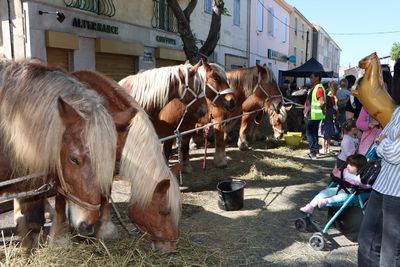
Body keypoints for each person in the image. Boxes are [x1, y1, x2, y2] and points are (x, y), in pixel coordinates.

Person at [358, 106, 400, 266]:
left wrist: (384, 142)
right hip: (381, 185)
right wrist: (387, 140)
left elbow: (395, 153)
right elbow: (379, 140)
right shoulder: (397, 111)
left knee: (390, 253)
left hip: (397, 193)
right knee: (367, 242)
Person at [300, 154, 367, 214]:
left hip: (348, 193)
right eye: (348, 164)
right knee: (325, 192)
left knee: (343, 197)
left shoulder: (360, 177)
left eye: (351, 165)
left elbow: (368, 186)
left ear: (359, 167)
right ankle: (310, 206)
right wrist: (335, 173)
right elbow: (337, 175)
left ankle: (326, 201)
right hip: (339, 188)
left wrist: (362, 186)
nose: (348, 166)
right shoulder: (345, 171)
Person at [304, 72, 326, 159]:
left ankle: (313, 152)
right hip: (314, 114)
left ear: (317, 78)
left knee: (309, 133)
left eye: (311, 77)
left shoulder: (318, 88)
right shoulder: (315, 88)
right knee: (314, 133)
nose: (310, 78)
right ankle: (316, 151)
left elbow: (322, 102)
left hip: (314, 115)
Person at [319, 83, 336, 154]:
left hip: (324, 123)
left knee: (323, 136)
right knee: (329, 136)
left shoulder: (323, 110)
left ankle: (323, 148)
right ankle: (328, 148)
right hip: (330, 123)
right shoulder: (332, 109)